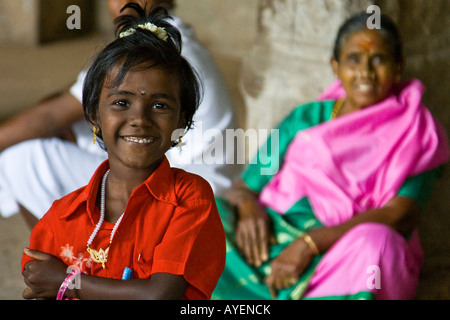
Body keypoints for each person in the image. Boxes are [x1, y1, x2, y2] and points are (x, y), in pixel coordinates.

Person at [212, 12, 449, 300]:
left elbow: (400, 215)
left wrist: (309, 244)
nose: (365, 72)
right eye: (353, 59)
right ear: (335, 67)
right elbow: (245, 186)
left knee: (380, 245)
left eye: (379, 59)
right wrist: (249, 209)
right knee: (203, 212)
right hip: (269, 239)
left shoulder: (417, 130)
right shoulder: (305, 118)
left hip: (340, 253)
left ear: (399, 68)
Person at [21, 5, 226, 300]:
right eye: (121, 103)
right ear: (93, 116)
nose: (140, 119)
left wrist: (66, 282)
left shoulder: (190, 199)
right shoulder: (62, 217)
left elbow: (159, 295)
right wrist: (49, 283)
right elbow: (38, 287)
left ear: (182, 122)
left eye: (160, 105)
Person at [0, 0, 239, 229]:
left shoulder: (161, 54)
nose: (125, 3)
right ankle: (70, 248)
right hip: (177, 164)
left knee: (22, 158)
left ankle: (69, 257)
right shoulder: (150, 42)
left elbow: (50, 116)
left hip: (189, 188)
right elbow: (63, 102)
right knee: (74, 127)